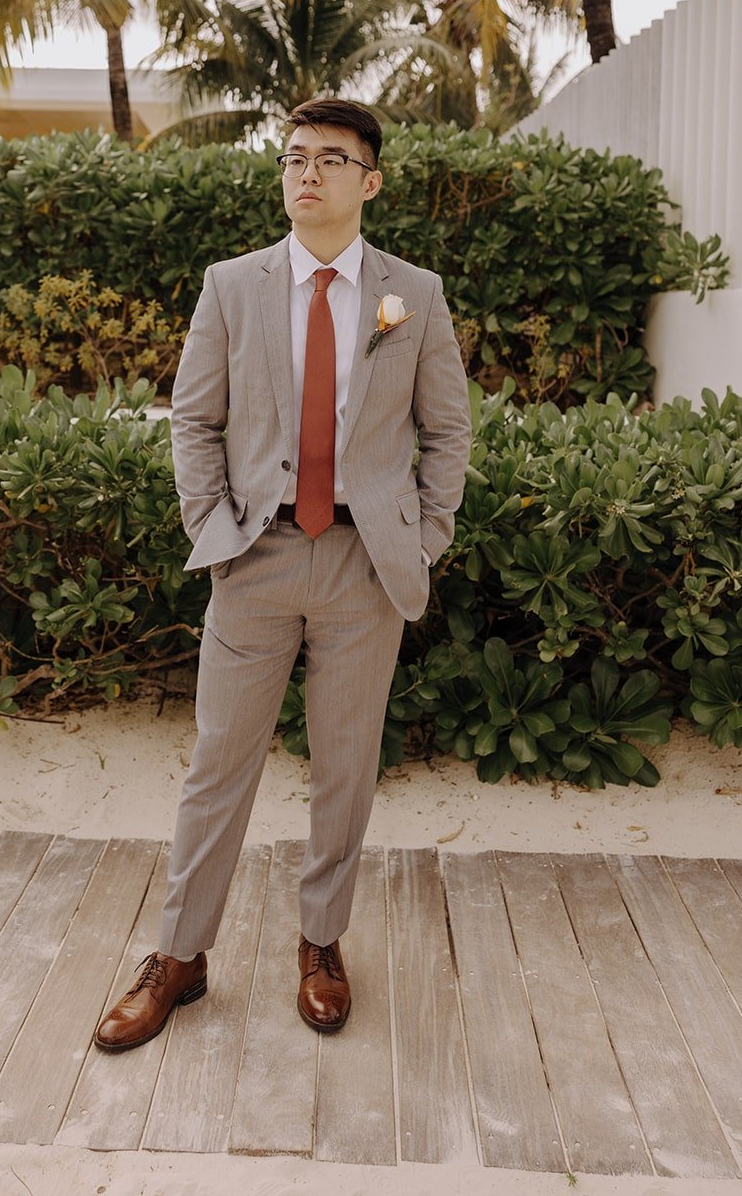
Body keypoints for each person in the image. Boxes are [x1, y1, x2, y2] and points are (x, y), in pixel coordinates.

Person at [94, 98, 472, 1050]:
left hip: (364, 566)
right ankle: (180, 955)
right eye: (294, 157)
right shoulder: (232, 285)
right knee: (218, 763)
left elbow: (447, 429)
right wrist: (212, 531)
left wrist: (422, 537)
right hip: (253, 558)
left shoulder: (411, 293)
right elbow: (193, 418)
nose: (306, 173)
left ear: (369, 181)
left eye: (331, 159)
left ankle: (321, 941)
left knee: (344, 767)